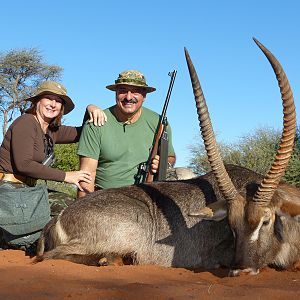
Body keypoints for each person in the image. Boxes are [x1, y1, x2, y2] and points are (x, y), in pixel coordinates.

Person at [0, 80, 107, 215]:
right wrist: (66, 176)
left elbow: (81, 133)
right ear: (37, 101)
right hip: (8, 188)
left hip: (27, 188)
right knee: (68, 210)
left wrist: (90, 108)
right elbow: (24, 164)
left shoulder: (52, 130)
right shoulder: (26, 122)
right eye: (48, 98)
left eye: (58, 101)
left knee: (72, 207)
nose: (53, 104)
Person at [77, 70, 176, 197]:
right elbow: (87, 175)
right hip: (103, 198)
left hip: (145, 197)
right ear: (116, 93)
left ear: (144, 96)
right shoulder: (95, 123)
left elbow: (170, 157)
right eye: (123, 90)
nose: (128, 97)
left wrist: (163, 164)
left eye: (135, 91)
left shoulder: (159, 122)